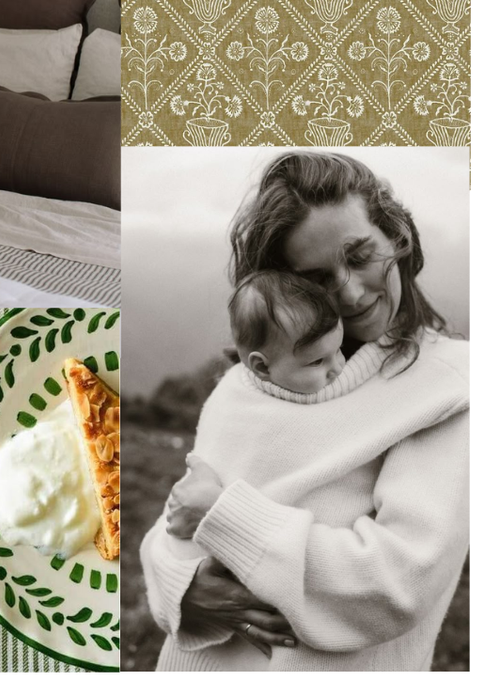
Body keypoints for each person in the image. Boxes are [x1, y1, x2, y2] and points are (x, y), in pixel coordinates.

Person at [141, 151, 470, 670]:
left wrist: (227, 519)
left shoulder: (451, 387)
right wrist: (183, 591)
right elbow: (181, 511)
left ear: (396, 236)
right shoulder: (253, 380)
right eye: (317, 278)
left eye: (361, 255)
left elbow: (397, 583)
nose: (351, 292)